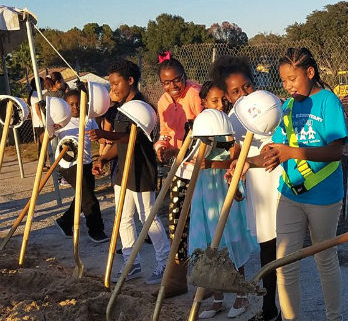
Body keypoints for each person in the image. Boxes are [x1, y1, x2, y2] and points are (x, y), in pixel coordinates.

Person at [260, 47, 348, 321]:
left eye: (292, 79)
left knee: (324, 259)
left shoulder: (328, 102)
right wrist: (242, 162)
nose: (287, 86)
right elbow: (274, 148)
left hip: (324, 197)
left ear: (310, 73)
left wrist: (291, 153)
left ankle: (334, 317)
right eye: (283, 80)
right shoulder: (287, 106)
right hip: (289, 195)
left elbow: (336, 151)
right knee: (285, 264)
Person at [211, 56, 281, 321]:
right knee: (267, 249)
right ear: (227, 96)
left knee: (282, 249)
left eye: (247, 86)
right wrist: (228, 165)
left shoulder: (271, 106)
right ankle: (270, 308)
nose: (244, 94)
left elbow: (273, 153)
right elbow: (229, 154)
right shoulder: (233, 120)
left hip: (280, 183)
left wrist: (246, 162)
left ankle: (281, 308)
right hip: (259, 190)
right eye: (235, 91)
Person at [90, 60, 170, 284]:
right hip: (122, 169)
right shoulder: (122, 109)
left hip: (141, 169)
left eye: (116, 84)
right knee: (123, 218)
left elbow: (131, 137)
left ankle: (164, 261)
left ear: (130, 81)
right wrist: (104, 157)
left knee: (148, 217)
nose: (112, 89)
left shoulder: (140, 107)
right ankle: (130, 262)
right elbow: (122, 143)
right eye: (110, 84)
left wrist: (106, 136)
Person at [188, 82, 257, 319]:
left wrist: (211, 163)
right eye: (214, 101)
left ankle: (241, 294)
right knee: (209, 242)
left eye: (222, 101)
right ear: (204, 102)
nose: (220, 105)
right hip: (203, 192)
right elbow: (190, 155)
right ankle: (217, 297)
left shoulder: (228, 125)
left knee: (232, 239)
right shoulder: (199, 127)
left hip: (224, 188)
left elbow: (232, 157)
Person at [155, 57, 203, 297]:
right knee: (177, 223)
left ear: (185, 75)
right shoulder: (163, 101)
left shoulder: (195, 95)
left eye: (177, 80)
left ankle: (207, 282)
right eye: (166, 82)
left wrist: (183, 150)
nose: (173, 86)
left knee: (202, 223)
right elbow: (165, 131)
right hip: (179, 168)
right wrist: (162, 147)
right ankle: (177, 279)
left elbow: (205, 132)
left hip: (201, 168)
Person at [53, 89, 109, 243]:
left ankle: (65, 221)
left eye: (79, 104)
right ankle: (96, 230)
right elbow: (47, 135)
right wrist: (51, 129)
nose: (76, 107)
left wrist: (100, 137)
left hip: (86, 162)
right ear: (66, 105)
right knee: (89, 199)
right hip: (69, 164)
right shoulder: (62, 120)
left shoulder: (88, 119)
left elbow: (98, 138)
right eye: (72, 104)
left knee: (83, 195)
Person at [28, 77, 45, 148]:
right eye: (42, 83)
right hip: (39, 123)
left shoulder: (35, 93)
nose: (43, 85)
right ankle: (41, 158)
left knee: (42, 143)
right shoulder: (35, 94)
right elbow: (37, 109)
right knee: (42, 143)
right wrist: (43, 121)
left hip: (38, 122)